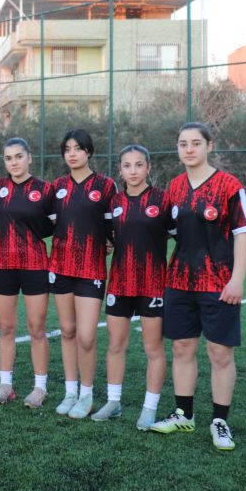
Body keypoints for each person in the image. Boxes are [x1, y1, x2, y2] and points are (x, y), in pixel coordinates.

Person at [150, 122, 246, 451]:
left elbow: (243, 234)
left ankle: (220, 420)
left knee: (219, 352)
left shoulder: (229, 185)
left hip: (218, 282)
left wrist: (237, 279)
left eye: (196, 143)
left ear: (210, 146)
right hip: (179, 281)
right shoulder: (175, 186)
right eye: (183, 144)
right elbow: (165, 229)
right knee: (182, 348)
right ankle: (184, 414)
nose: (189, 149)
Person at [93, 144, 174, 429]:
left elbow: (179, 235)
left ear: (148, 167)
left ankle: (149, 408)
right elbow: (107, 237)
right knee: (116, 344)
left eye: (139, 165)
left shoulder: (163, 200)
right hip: (119, 282)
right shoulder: (113, 202)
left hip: (153, 284)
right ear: (120, 170)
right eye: (127, 165)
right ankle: (113, 402)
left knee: (153, 348)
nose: (133, 171)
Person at [48, 129, 117, 418]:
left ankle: (86, 394)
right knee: (67, 331)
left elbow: (113, 226)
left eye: (77, 148)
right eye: (67, 149)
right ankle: (70, 391)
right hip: (60, 266)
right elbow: (45, 224)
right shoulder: (57, 186)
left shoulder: (106, 185)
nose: (72, 154)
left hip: (91, 268)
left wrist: (110, 241)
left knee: (86, 336)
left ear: (88, 151)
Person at [0, 137, 55, 407]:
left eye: (19, 156)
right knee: (6, 328)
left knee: (36, 329)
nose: (14, 163)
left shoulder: (45, 190)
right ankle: (5, 385)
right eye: (8, 158)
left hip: (35, 265)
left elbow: (56, 226)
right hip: (2, 265)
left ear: (29, 158)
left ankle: (40, 388)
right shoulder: (0, 188)